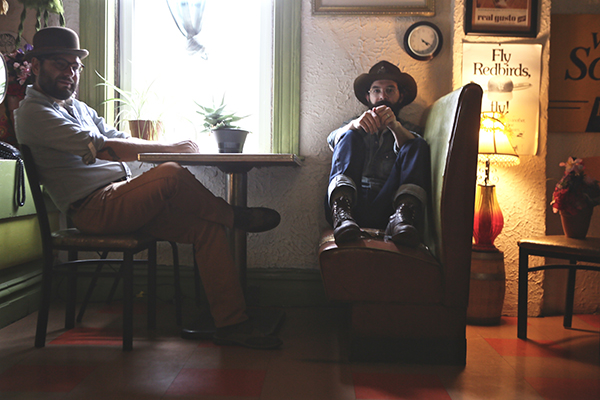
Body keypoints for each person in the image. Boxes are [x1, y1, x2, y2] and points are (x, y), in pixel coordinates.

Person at [15, 27, 282, 349]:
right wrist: (170, 149)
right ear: (34, 66)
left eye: (75, 66)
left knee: (207, 229)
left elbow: (120, 139)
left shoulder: (78, 109)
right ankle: (234, 216)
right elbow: (101, 147)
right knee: (169, 172)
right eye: (60, 64)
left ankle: (232, 323)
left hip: (120, 199)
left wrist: (167, 146)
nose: (69, 73)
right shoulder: (33, 113)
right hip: (92, 209)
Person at [325, 60, 431, 247]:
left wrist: (395, 127)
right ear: (368, 97)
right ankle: (341, 212)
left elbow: (418, 154)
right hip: (354, 205)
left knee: (416, 144)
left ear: (401, 96)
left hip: (390, 208)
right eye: (376, 90)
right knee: (348, 135)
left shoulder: (409, 130)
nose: (383, 96)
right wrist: (355, 125)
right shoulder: (356, 124)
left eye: (390, 90)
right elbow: (332, 140)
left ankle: (404, 215)